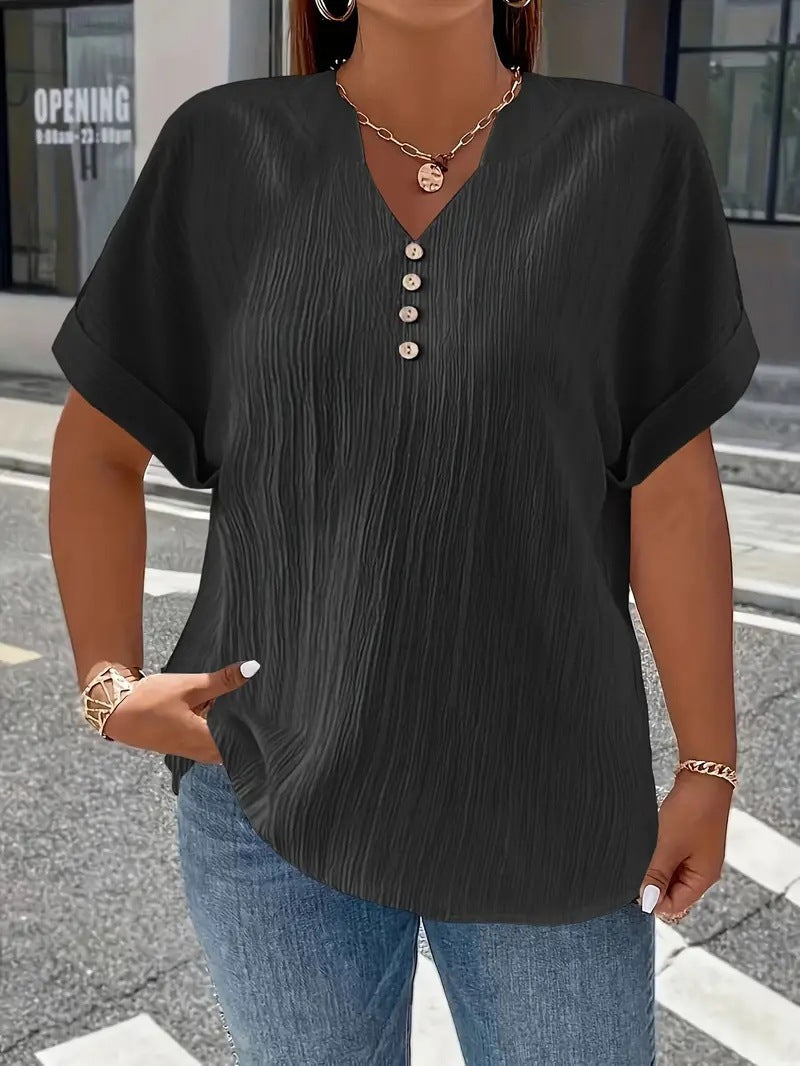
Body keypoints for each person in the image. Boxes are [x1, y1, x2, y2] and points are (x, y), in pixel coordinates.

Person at [48, 0, 759, 1062]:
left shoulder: (633, 155)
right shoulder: (222, 150)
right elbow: (97, 450)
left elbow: (671, 493)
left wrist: (708, 766)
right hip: (270, 798)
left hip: (552, 804)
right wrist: (109, 685)